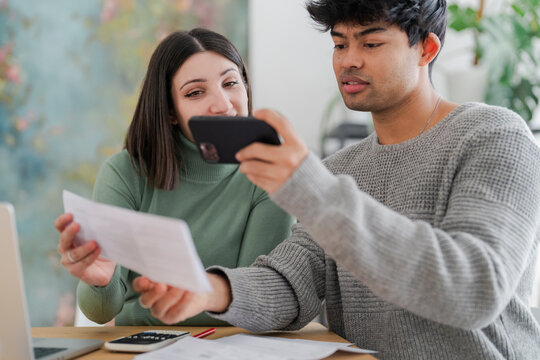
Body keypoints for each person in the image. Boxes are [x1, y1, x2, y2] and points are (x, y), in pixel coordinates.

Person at [133, 1, 540, 358]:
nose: (349, 60)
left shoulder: (493, 136)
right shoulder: (341, 169)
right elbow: (291, 284)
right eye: (340, 44)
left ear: (426, 49)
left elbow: (475, 289)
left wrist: (315, 191)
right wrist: (207, 291)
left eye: (371, 43)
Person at [54, 28, 294, 326]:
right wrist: (99, 282)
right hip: (142, 349)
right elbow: (101, 312)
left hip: (232, 350)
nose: (222, 104)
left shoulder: (270, 173)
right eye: (195, 92)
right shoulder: (125, 173)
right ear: (170, 111)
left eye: (231, 83)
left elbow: (259, 303)